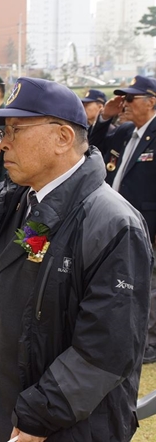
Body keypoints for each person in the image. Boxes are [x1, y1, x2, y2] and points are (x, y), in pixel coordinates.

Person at [0, 77, 152, 441]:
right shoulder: (14, 199)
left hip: (66, 423)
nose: (3, 141)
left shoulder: (113, 222)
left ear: (63, 137)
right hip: (10, 408)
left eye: (16, 130)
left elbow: (106, 348)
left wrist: (40, 414)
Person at [89, 75, 156, 365]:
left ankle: (150, 343)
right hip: (116, 221)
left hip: (147, 224)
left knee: (148, 283)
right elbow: (91, 146)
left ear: (152, 101)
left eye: (131, 99)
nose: (125, 104)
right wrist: (106, 116)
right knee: (122, 279)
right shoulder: (126, 130)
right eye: (123, 99)